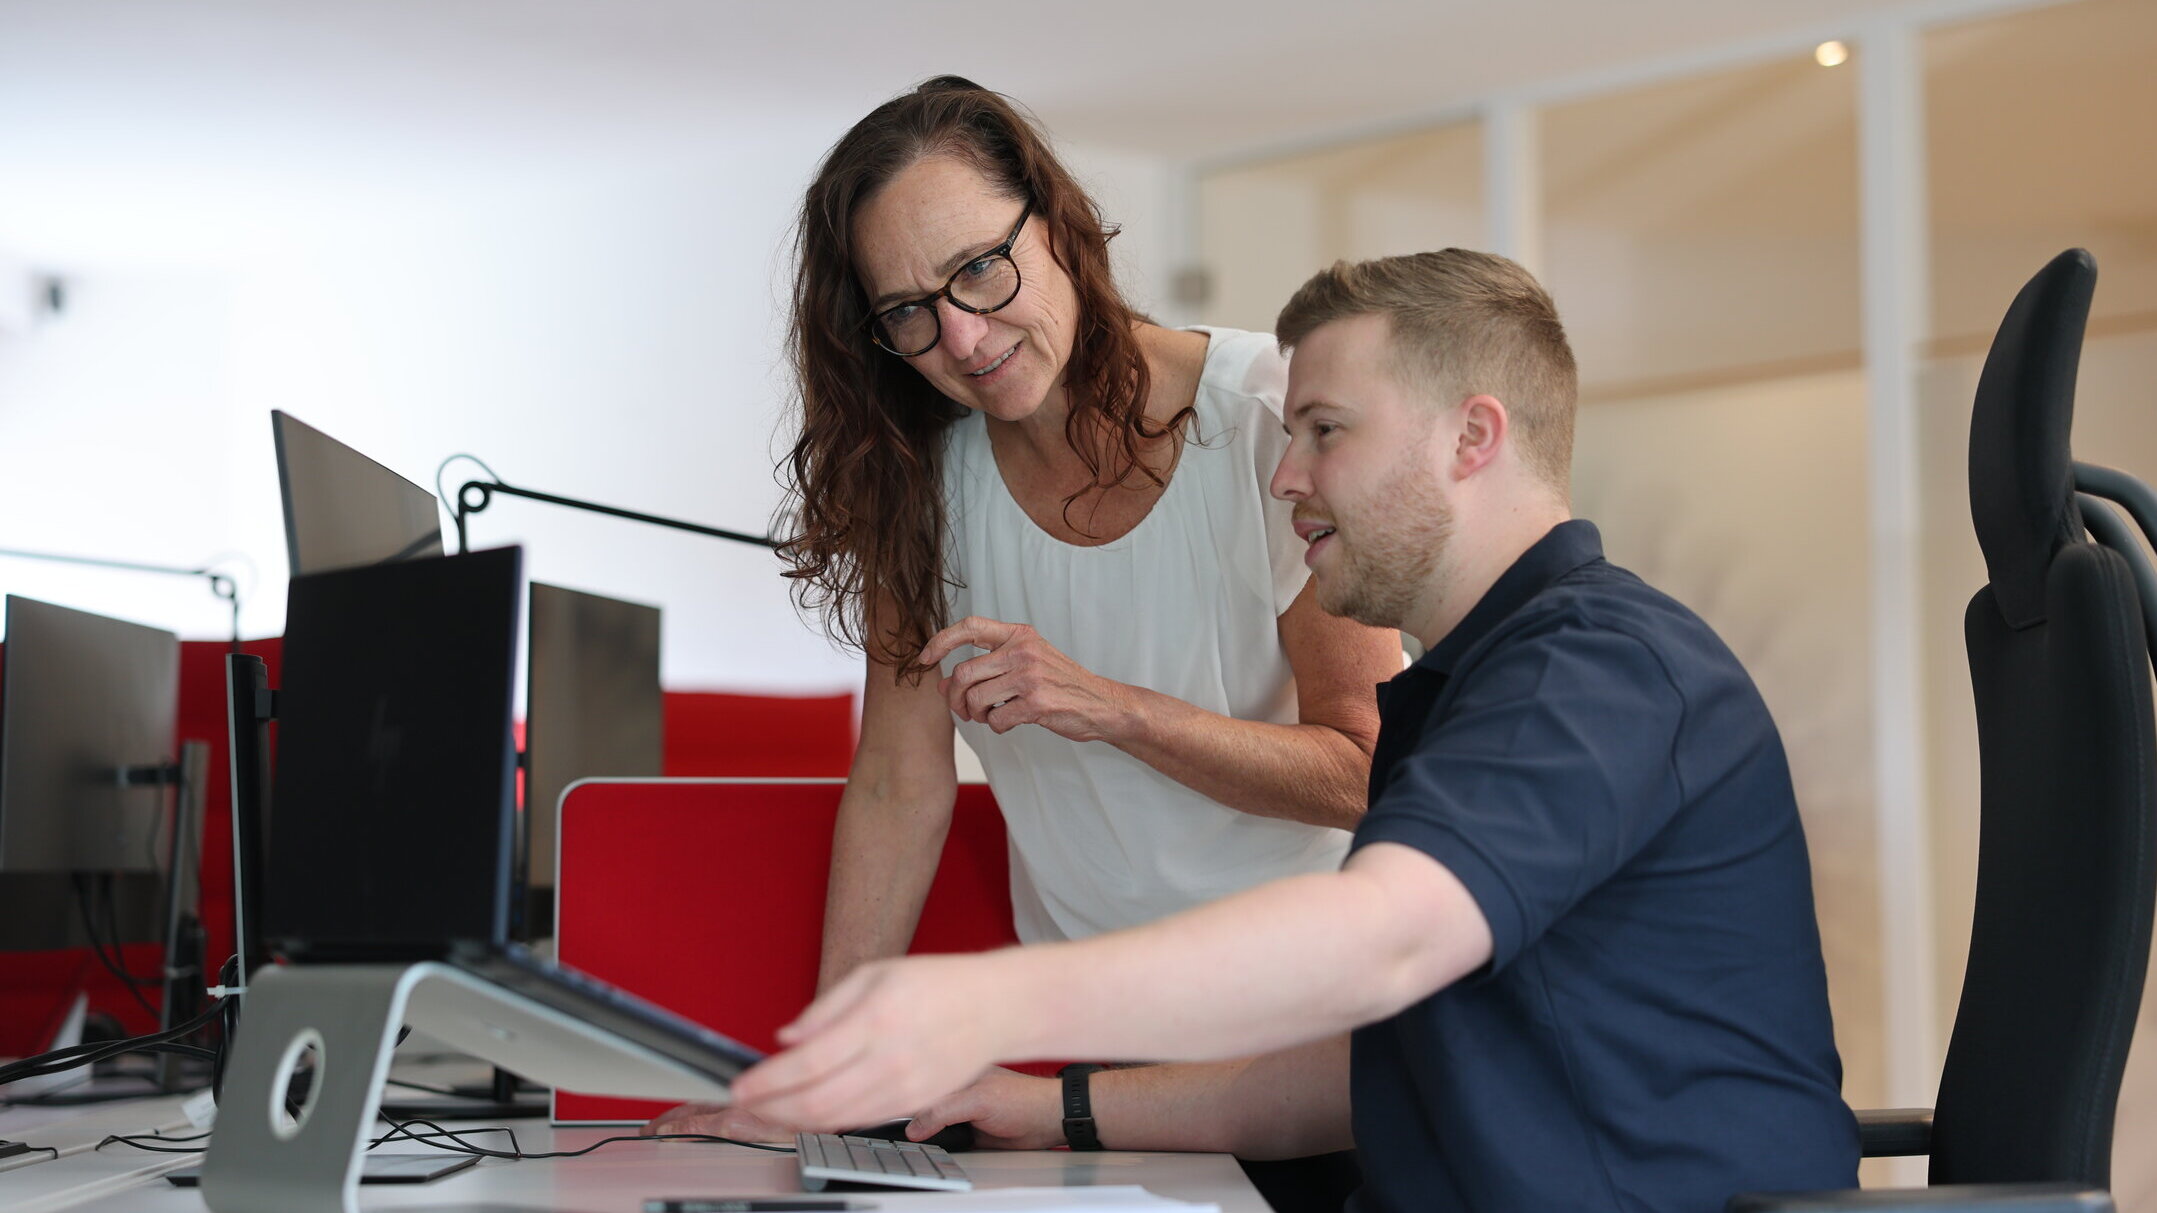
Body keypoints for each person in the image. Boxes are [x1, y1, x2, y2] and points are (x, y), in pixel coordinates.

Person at [721, 250, 1863, 1213]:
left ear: (1473, 439)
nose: (1285, 474)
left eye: (1324, 430)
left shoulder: (1598, 669)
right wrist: (1035, 1100)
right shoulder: (1465, 693)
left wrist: (993, 1000)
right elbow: (1369, 1068)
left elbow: (1383, 942)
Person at [649, 77, 1400, 1170]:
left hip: (1314, 1045)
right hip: (1088, 1063)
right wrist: (821, 1078)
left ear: (1057, 224)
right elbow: (899, 788)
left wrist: (1114, 710)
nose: (961, 333)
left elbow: (1367, 765)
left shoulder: (1267, 419)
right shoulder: (922, 487)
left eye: (977, 270)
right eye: (907, 311)